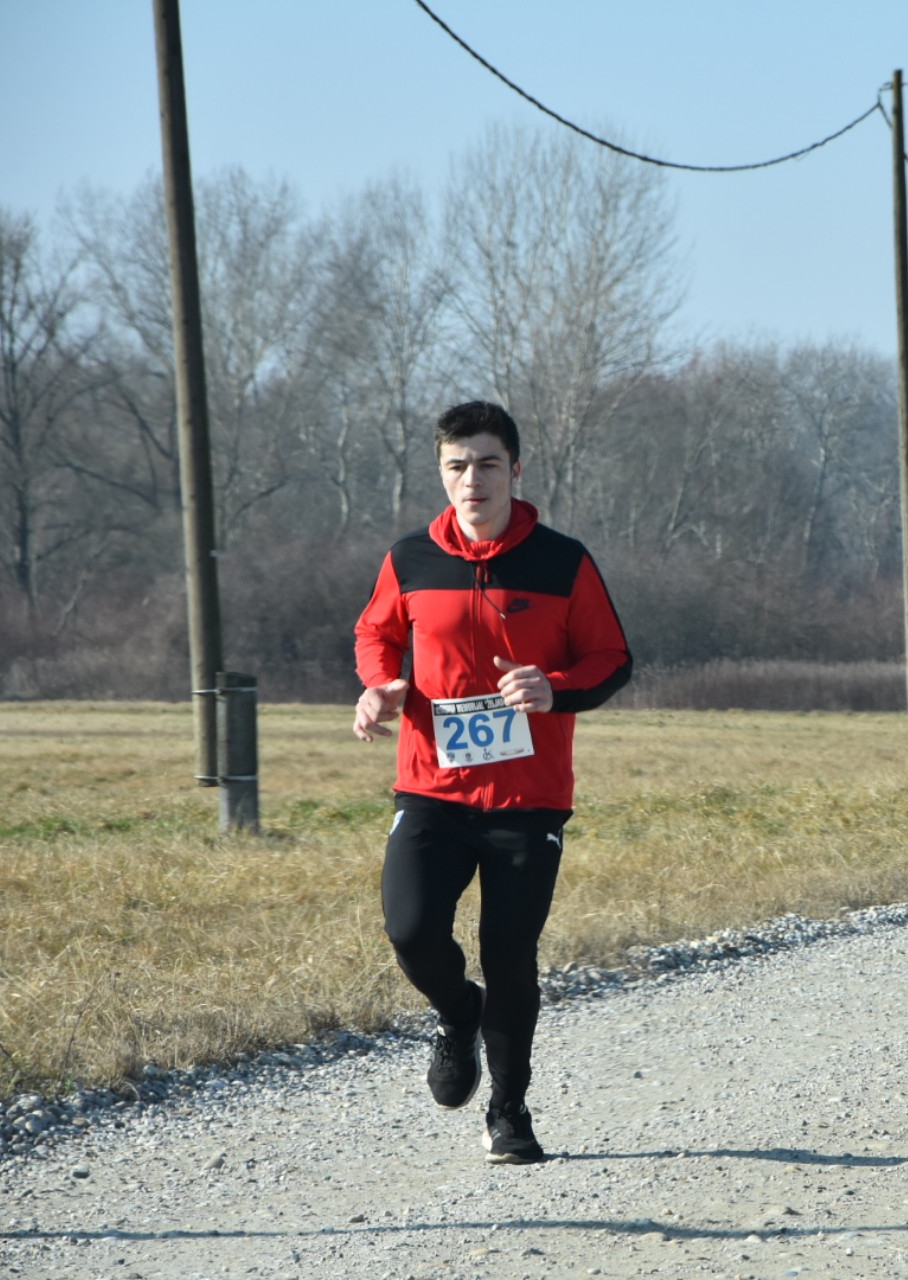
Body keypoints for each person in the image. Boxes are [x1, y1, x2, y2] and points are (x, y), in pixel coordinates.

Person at [354, 401, 633, 1165]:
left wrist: (556, 688)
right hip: (433, 789)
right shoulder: (410, 558)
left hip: (527, 796)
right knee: (410, 929)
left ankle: (509, 1114)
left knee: (510, 954)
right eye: (455, 465)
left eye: (485, 463)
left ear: (515, 469)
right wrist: (381, 684)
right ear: (440, 473)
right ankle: (456, 1009)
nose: (470, 480)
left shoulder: (561, 561)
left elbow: (612, 657)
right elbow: (376, 633)